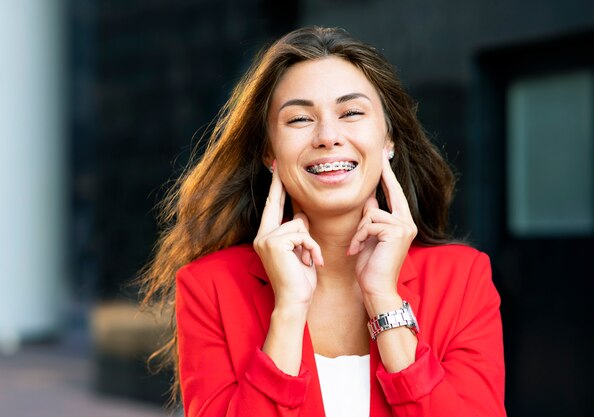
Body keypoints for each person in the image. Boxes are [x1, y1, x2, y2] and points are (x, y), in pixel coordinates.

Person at [139, 26, 506, 417]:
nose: (328, 136)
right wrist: (289, 310)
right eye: (299, 119)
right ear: (269, 151)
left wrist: (384, 299)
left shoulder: (463, 279)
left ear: (389, 139)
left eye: (351, 113)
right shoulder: (209, 287)